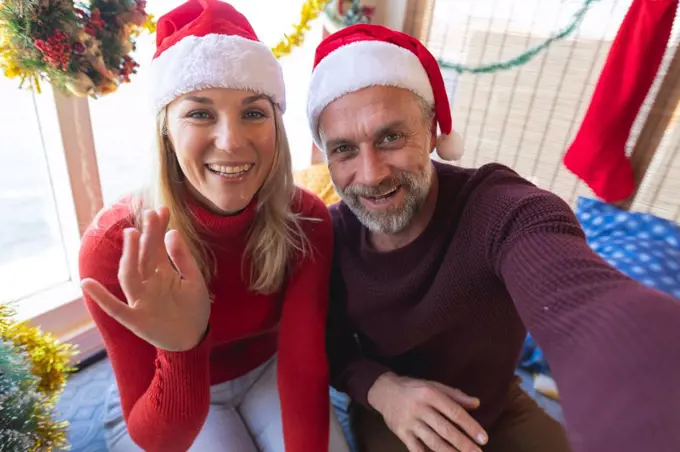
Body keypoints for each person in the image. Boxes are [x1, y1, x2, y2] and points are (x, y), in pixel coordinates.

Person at [305, 23, 680, 452]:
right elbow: (325, 344)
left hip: (499, 406)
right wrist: (382, 390)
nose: (371, 174)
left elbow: (582, 298)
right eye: (344, 149)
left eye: (391, 137)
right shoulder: (327, 236)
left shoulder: (498, 209)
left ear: (431, 131)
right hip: (392, 412)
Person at [78, 1, 350, 451]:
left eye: (254, 112)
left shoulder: (306, 219)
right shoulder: (114, 248)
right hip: (170, 392)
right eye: (200, 113)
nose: (231, 142)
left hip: (268, 368)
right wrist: (182, 349)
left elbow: (303, 362)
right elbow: (158, 437)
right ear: (166, 129)